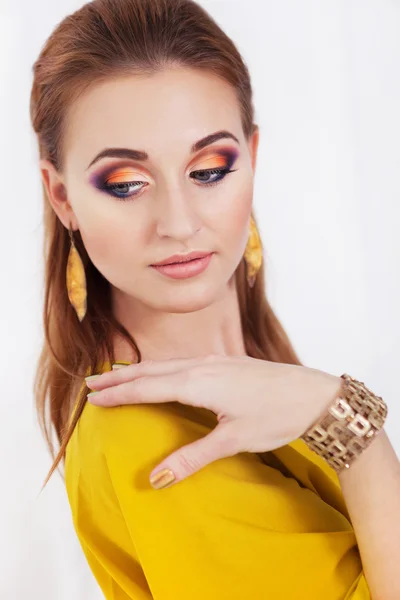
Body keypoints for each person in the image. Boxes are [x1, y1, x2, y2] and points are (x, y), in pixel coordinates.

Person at [31, 0, 400, 598]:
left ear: (252, 159)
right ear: (62, 195)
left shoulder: (261, 381)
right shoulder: (151, 443)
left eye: (208, 170)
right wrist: (354, 431)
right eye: (126, 184)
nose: (178, 223)